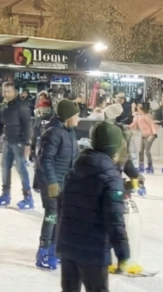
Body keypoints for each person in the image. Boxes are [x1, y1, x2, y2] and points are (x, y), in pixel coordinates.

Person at [56, 121, 131, 292]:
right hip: (93, 251)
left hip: (68, 246)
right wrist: (123, 253)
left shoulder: (77, 165)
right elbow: (115, 219)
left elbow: (62, 206)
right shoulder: (111, 177)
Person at [34, 99, 79, 271]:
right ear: (68, 117)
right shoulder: (53, 133)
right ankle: (43, 251)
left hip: (63, 184)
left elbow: (73, 159)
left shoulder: (71, 133)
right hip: (50, 183)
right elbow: (45, 160)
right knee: (52, 215)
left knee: (60, 217)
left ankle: (55, 250)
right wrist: (52, 183)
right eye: (76, 116)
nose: (78, 120)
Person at [0, 82, 35, 210]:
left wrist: (27, 143)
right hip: (7, 141)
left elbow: (28, 125)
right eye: (4, 91)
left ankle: (28, 198)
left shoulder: (21, 106)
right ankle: (5, 195)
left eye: (8, 91)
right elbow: (0, 124)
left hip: (19, 142)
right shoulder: (4, 107)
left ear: (14, 92)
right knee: (5, 168)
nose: (5, 94)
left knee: (21, 169)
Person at [129, 102, 158, 174]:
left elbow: (152, 124)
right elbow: (134, 124)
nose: (137, 109)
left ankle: (150, 166)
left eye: (139, 108)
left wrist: (154, 133)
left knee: (147, 151)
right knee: (140, 151)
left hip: (150, 135)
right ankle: (141, 165)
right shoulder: (138, 117)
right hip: (143, 135)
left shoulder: (147, 116)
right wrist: (128, 127)